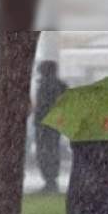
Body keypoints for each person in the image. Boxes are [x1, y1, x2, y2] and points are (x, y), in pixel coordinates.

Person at [33, 61, 69, 193]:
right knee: (52, 151)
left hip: (44, 124)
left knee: (45, 152)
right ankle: (51, 180)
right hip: (54, 124)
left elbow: (43, 106)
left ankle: (50, 180)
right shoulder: (60, 85)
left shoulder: (45, 85)